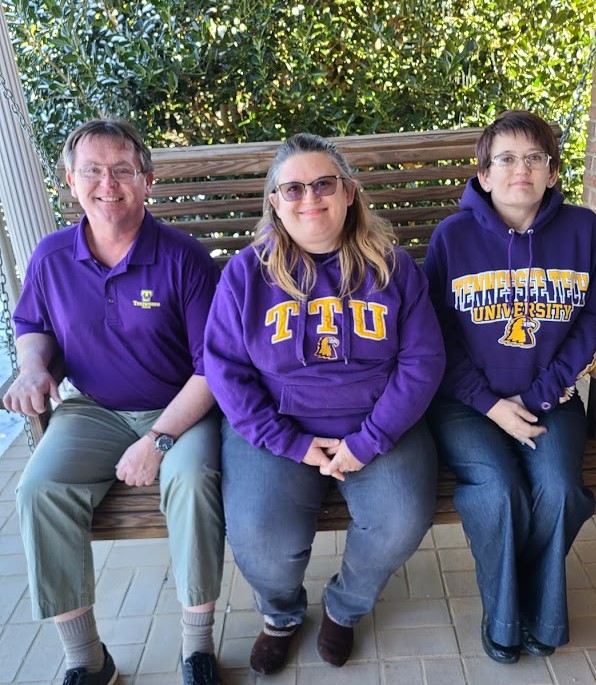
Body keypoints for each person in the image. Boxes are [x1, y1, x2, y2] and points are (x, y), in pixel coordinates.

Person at [204, 132, 445, 674]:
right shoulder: (247, 273)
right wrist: (288, 442)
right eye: (292, 188)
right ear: (274, 202)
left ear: (350, 193)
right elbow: (225, 369)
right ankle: (282, 614)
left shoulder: (392, 267)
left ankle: (345, 606)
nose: (309, 198)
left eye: (323, 184)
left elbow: (422, 362)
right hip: (275, 427)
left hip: (379, 422)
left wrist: (369, 441)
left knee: (401, 517)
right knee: (259, 533)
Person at [3, 119, 226, 685]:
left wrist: (158, 439)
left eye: (123, 170)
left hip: (179, 408)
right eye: (92, 171)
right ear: (71, 184)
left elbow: (213, 370)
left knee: (193, 482)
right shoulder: (52, 257)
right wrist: (31, 365)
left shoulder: (183, 258)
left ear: (147, 180)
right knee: (38, 488)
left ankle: (196, 648)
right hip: (94, 407)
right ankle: (87, 659)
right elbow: (32, 323)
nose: (108, 183)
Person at [424, 110, 596, 664]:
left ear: (553, 172)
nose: (521, 169)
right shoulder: (453, 238)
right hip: (466, 405)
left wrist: (536, 396)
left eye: (535, 158)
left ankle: (540, 611)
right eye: (505, 159)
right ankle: (505, 616)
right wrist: (490, 404)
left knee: (559, 489)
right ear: (482, 175)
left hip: (549, 398)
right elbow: (434, 333)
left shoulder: (584, 230)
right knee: (499, 491)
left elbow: (595, 313)